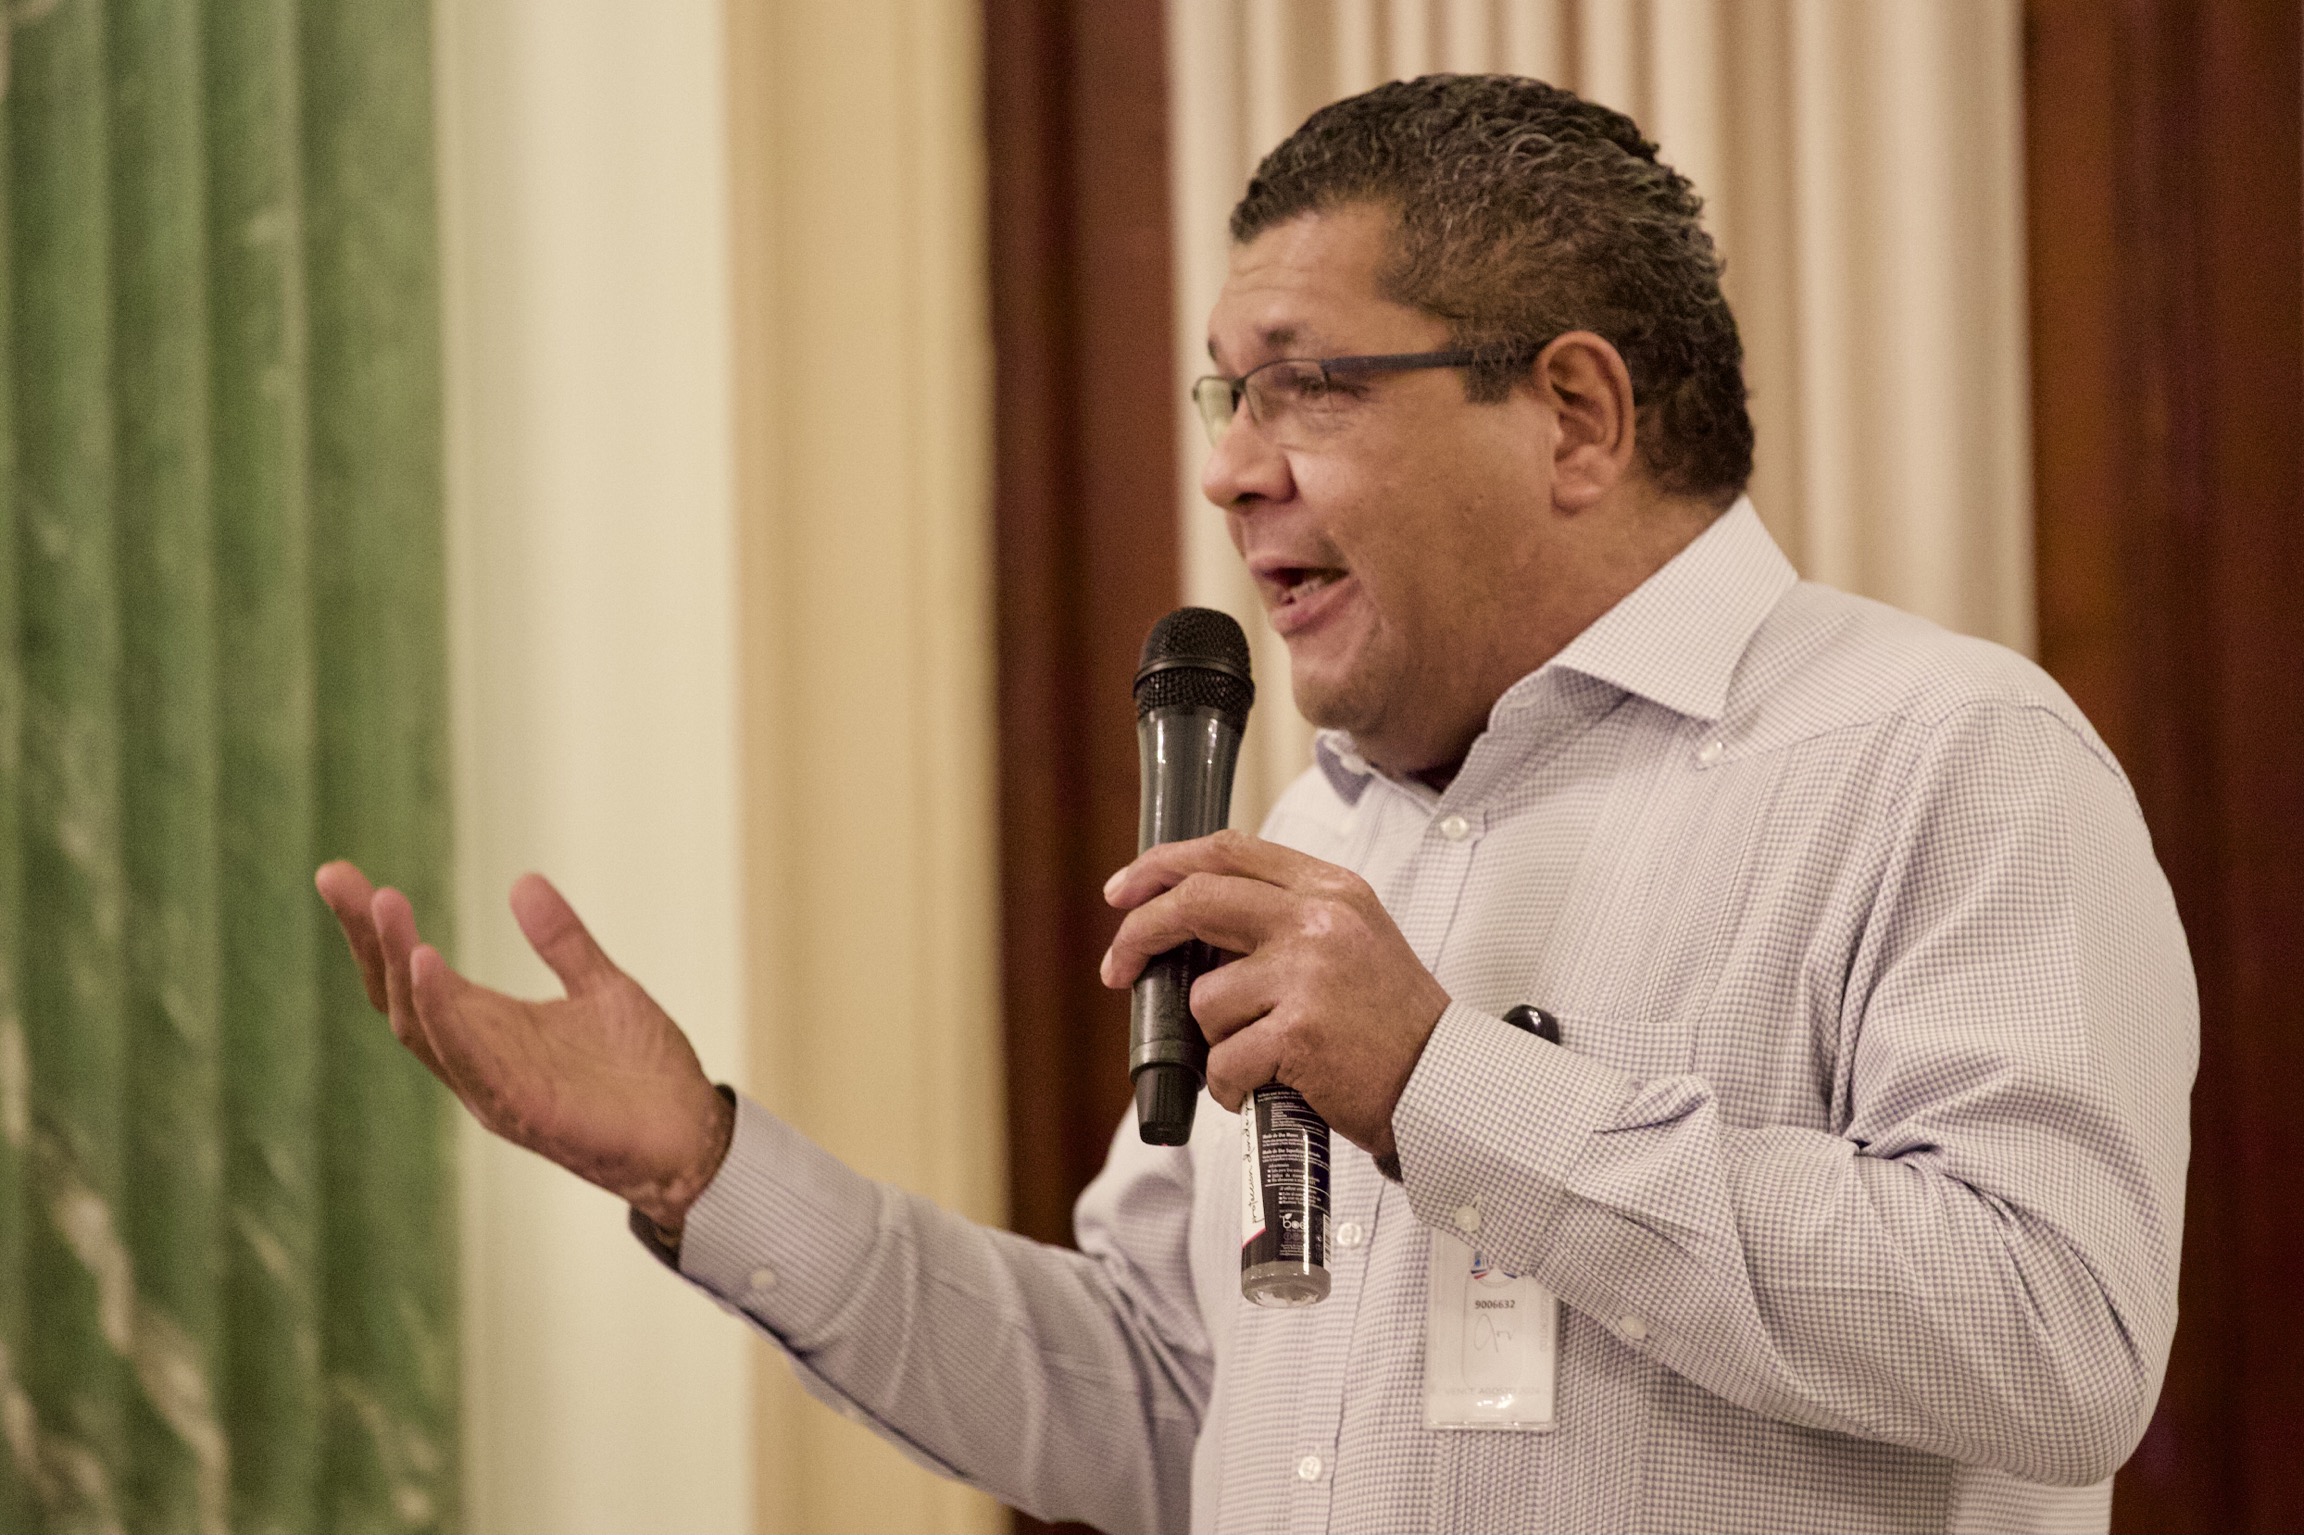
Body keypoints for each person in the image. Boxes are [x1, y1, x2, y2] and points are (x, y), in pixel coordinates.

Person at [318, 76, 2193, 1533]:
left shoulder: (1936, 757)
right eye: (1226, 396)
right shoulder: (1324, 831)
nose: (1231, 472)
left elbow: (2059, 1340)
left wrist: (1442, 1083)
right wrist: (710, 1173)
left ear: (1576, 417)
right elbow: (1166, 1397)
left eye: (1307, 390)